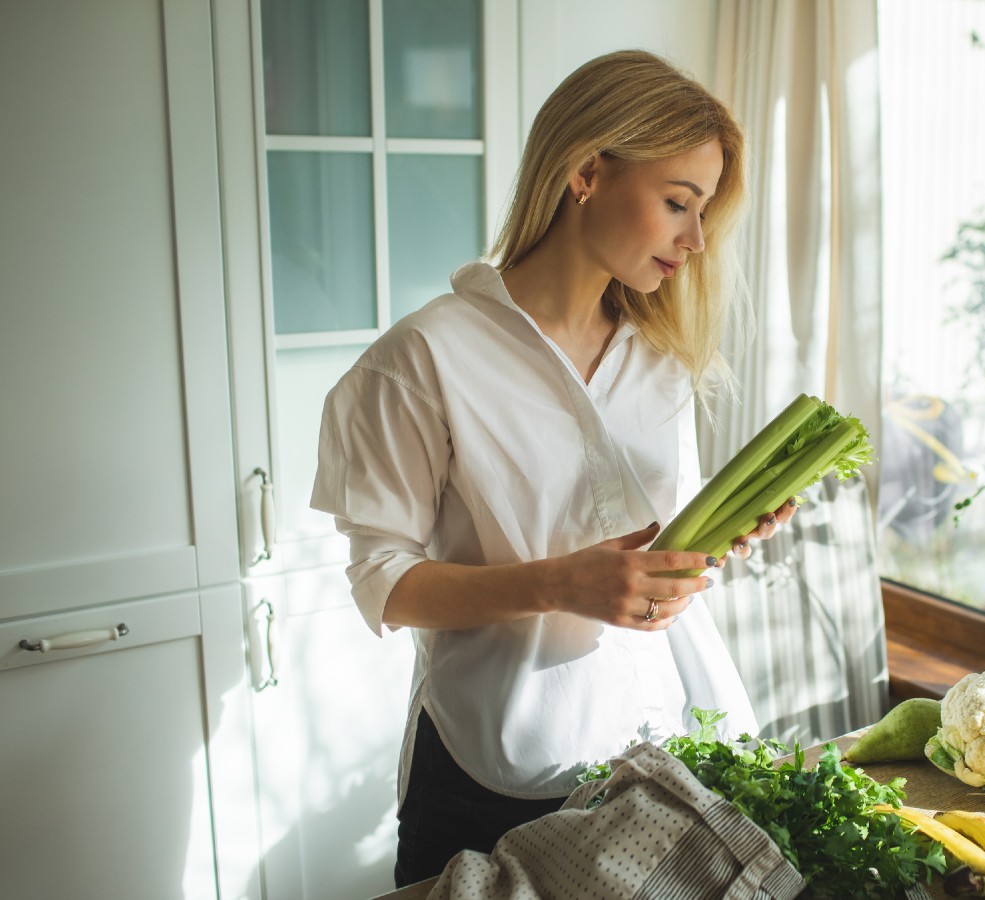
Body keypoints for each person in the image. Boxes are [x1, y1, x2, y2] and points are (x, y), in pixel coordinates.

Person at [310, 49, 800, 888]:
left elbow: (643, 559)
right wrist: (558, 585)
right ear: (586, 172)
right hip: (486, 777)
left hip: (649, 766)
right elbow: (383, 584)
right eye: (678, 203)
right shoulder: (424, 358)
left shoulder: (660, 358)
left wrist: (709, 543)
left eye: (705, 210)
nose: (697, 239)